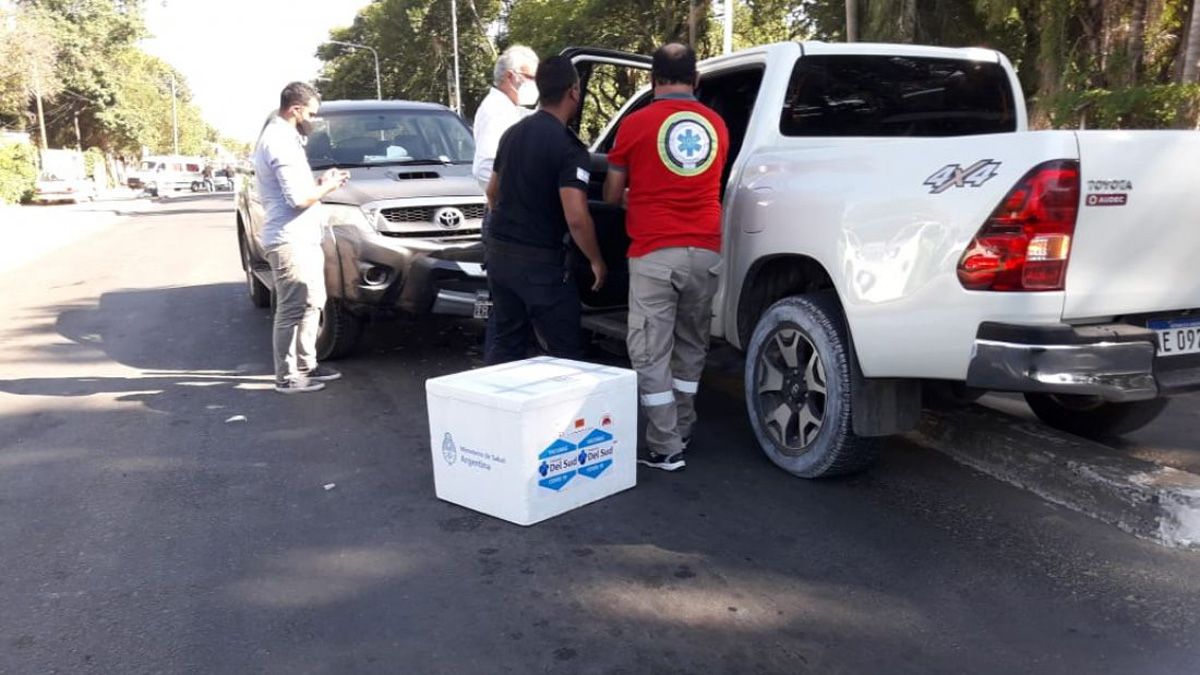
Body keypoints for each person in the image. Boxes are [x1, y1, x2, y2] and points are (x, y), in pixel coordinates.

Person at [602, 43, 729, 472]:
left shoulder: (636, 124)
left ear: (653, 79)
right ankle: (684, 426)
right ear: (695, 80)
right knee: (691, 346)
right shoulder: (717, 126)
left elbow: (612, 193)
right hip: (707, 251)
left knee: (650, 351)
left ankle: (664, 445)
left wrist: (631, 198)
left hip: (655, 252)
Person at [483, 56, 607, 364]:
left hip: (500, 257)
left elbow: (492, 193)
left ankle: (496, 410)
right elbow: (576, 217)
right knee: (565, 354)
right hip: (541, 266)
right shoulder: (569, 148)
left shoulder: (513, 134)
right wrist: (596, 261)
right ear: (574, 92)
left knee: (507, 343)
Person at [253, 81, 349, 394]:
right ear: (295, 110)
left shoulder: (287, 138)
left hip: (303, 236)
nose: (313, 120)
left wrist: (319, 183)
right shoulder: (278, 140)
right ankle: (287, 376)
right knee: (292, 308)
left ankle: (308, 365)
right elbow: (297, 199)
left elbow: (298, 190)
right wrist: (328, 188)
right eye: (311, 113)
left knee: (313, 302)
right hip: (288, 239)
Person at [472, 45, 539, 195]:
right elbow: (485, 168)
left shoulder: (509, 108)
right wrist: (519, 192)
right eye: (531, 77)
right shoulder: (497, 111)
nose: (536, 84)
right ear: (510, 76)